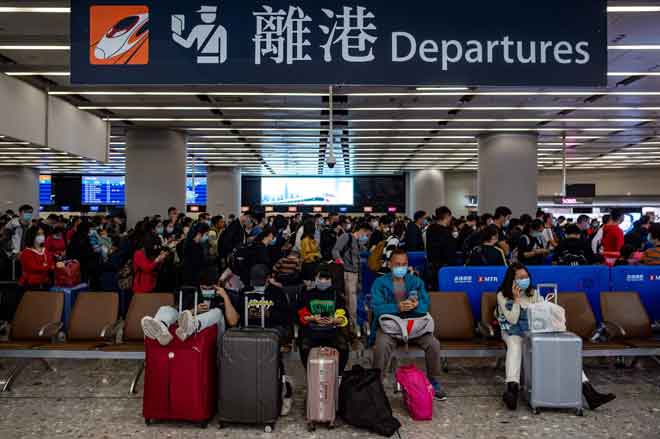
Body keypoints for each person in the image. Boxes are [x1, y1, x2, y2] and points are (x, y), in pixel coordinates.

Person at [496, 263, 615, 411]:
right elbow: (512, 319)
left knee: (562, 348)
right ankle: (511, 390)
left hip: (533, 331)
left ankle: (589, 392)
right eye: (520, 278)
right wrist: (517, 300)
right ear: (511, 280)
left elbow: (544, 312)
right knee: (515, 345)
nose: (524, 280)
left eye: (526, 277)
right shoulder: (502, 295)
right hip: (512, 331)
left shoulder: (533, 293)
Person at [370, 249, 446, 400]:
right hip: (390, 327)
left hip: (414, 327)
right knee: (381, 345)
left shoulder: (416, 282)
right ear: (390, 264)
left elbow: (425, 304)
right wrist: (397, 307)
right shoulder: (379, 283)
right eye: (397, 264)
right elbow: (377, 307)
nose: (401, 267)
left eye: (404, 264)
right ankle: (376, 383)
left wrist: (415, 306)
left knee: (433, 344)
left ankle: (433, 381)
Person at [297, 265, 351, 375]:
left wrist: (334, 320)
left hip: (332, 331)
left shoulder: (337, 295)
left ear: (331, 280)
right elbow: (301, 314)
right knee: (304, 346)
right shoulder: (307, 295)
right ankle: (310, 374)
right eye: (321, 278)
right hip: (311, 331)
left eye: (326, 279)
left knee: (343, 347)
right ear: (315, 278)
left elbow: (343, 315)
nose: (323, 281)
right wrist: (312, 318)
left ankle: (338, 375)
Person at [332, 222, 372, 332]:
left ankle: (352, 327)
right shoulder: (346, 237)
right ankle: (350, 327)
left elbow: (358, 262)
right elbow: (335, 250)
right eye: (366, 235)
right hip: (346, 273)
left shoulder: (359, 244)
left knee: (352, 302)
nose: (366, 238)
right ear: (362, 230)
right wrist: (340, 263)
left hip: (354, 274)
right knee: (350, 302)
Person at [426, 206, 457, 287]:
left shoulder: (430, 229)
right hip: (444, 269)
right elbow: (450, 253)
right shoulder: (446, 233)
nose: (451, 219)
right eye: (450, 217)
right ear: (447, 216)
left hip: (431, 267)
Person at [182, 222, 211, 287]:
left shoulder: (192, 244)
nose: (207, 237)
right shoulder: (193, 246)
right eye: (206, 234)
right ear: (199, 234)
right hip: (192, 278)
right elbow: (198, 264)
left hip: (192, 277)